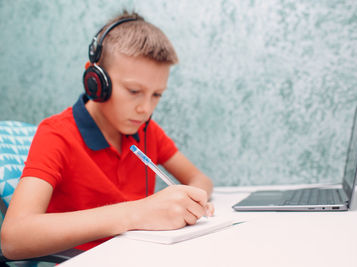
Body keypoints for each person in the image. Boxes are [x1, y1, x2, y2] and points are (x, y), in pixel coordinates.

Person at [1, 9, 214, 260]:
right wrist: (138, 212)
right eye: (134, 90)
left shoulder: (146, 131)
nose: (145, 109)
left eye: (156, 95)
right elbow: (13, 239)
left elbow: (199, 179)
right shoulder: (56, 134)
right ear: (96, 81)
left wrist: (192, 201)